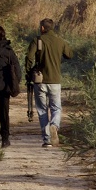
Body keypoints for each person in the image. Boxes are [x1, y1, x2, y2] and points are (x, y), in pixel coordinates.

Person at [25, 18, 74, 148]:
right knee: (56, 107)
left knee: (42, 110)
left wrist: (29, 73)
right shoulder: (60, 41)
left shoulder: (37, 40)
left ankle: (47, 140)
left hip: (39, 81)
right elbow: (69, 54)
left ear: (42, 28)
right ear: (52, 28)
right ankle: (55, 125)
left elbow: (29, 58)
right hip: (55, 81)